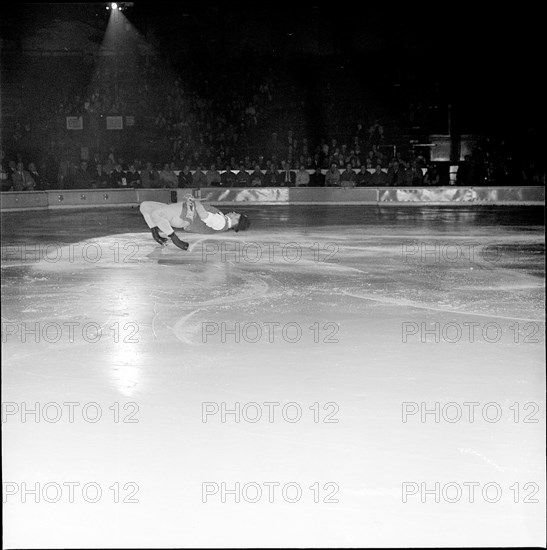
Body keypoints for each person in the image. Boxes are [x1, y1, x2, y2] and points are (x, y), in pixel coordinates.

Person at [139, 196, 250, 251]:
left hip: (184, 215)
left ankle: (174, 238)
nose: (235, 212)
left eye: (237, 215)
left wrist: (195, 201)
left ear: (236, 222)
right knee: (145, 206)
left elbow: (204, 216)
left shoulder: (221, 222)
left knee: (156, 215)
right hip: (183, 209)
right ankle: (156, 234)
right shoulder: (222, 218)